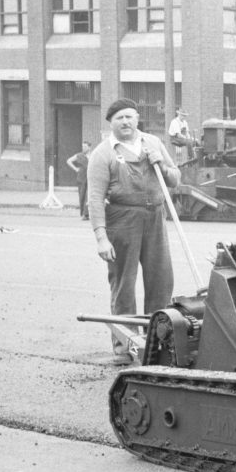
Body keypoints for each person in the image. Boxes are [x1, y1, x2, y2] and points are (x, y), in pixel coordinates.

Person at [87, 98, 181, 364]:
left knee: (161, 281)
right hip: (122, 219)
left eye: (129, 117)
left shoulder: (153, 143)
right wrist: (101, 237)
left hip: (155, 217)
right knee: (124, 285)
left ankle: (158, 342)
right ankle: (124, 346)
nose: (126, 122)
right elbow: (94, 199)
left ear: (138, 118)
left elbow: (174, 180)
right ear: (111, 123)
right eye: (120, 118)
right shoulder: (102, 153)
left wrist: (161, 163)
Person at [66, 140, 92, 219]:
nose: (83, 148)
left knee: (89, 195)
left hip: (90, 177)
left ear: (89, 147)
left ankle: (87, 214)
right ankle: (84, 214)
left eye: (85, 147)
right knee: (82, 195)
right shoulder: (79, 155)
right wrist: (75, 169)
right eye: (82, 147)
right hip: (81, 178)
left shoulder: (93, 155)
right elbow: (69, 161)